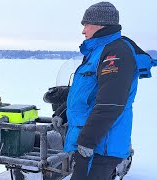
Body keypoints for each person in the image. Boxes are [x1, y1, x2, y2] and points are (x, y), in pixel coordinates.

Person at [59, 2, 155, 180]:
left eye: (86, 24)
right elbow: (92, 94)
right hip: (92, 144)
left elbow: (110, 104)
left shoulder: (115, 52)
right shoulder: (98, 51)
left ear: (101, 24)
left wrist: (86, 144)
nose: (83, 30)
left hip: (100, 147)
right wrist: (64, 110)